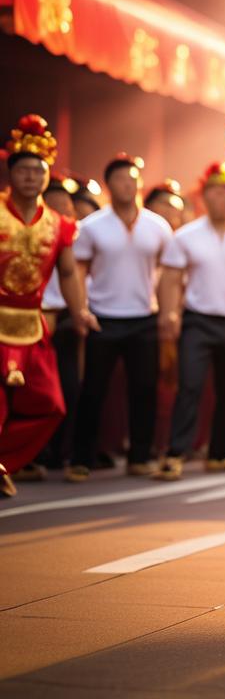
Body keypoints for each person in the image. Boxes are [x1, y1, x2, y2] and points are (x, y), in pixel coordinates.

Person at [154, 163, 225, 480]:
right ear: (205, 197)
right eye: (217, 191)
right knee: (189, 385)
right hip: (197, 321)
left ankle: (220, 454)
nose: (224, 197)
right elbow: (171, 279)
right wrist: (169, 313)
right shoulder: (185, 236)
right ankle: (175, 453)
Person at [0, 116, 95, 497]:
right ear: (11, 174)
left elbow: (69, 274)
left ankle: (6, 459)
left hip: (33, 323)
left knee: (51, 404)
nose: (30, 177)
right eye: (22, 170)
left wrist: (79, 311)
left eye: (37, 171)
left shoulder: (60, 224)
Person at [65, 154, 171, 481]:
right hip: (103, 317)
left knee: (144, 389)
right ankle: (81, 458)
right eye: (122, 179)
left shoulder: (158, 225)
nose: (129, 184)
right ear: (109, 184)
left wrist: (169, 312)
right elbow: (77, 272)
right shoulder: (92, 226)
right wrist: (81, 311)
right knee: (93, 390)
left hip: (144, 317)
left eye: (134, 178)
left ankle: (140, 456)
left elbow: (169, 274)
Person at [32, 178, 82, 473]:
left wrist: (80, 311)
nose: (61, 210)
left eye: (66, 206)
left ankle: (59, 451)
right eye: (55, 205)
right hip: (28, 317)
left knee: (68, 387)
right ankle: (30, 457)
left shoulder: (72, 233)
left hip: (64, 316)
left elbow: (73, 274)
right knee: (33, 392)